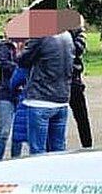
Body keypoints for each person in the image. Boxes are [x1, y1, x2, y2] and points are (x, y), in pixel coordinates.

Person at [14, 28, 75, 153]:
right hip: (62, 98)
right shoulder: (67, 36)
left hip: (40, 99)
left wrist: (20, 50)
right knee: (58, 149)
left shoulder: (40, 35)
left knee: (37, 151)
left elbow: (23, 61)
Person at [0, 36, 20, 162]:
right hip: (5, 93)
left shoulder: (26, 46)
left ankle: (15, 162)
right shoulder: (3, 47)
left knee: (17, 133)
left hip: (21, 94)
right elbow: (4, 64)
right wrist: (20, 68)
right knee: (4, 131)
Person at [69, 18, 93, 148]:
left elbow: (77, 49)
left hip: (73, 78)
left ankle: (87, 145)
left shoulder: (79, 33)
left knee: (81, 116)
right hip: (60, 79)